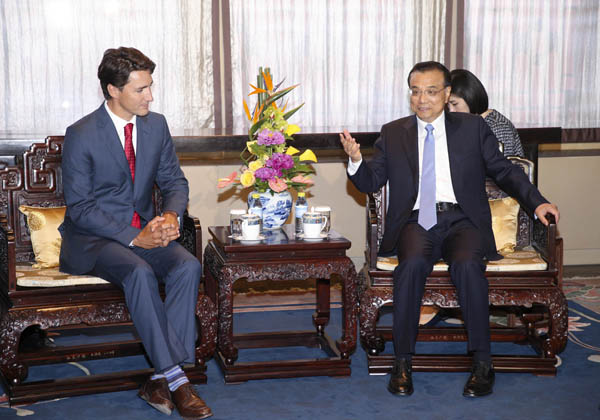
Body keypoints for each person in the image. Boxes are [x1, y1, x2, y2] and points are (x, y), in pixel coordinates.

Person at [339, 61, 559, 398]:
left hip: (462, 220)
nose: (422, 99)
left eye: (430, 91)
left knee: (468, 266)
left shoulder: (471, 128)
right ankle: (402, 362)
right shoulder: (394, 132)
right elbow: (372, 181)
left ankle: (483, 363)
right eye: (415, 91)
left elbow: (504, 170)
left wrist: (538, 202)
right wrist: (355, 160)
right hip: (416, 221)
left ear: (446, 94)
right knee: (410, 266)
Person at [59, 47, 212, 419]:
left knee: (187, 266)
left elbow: (173, 181)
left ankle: (159, 376)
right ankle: (178, 380)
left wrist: (172, 215)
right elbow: (80, 208)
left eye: (150, 87)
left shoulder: (155, 125)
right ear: (113, 90)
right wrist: (133, 237)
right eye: (141, 89)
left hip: (144, 232)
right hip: (93, 240)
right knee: (139, 272)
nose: (150, 96)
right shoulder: (81, 134)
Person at [448, 68, 524, 157]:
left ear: (470, 97)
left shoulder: (498, 126)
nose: (451, 110)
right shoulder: (467, 123)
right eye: (447, 105)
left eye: (454, 104)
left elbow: (501, 168)